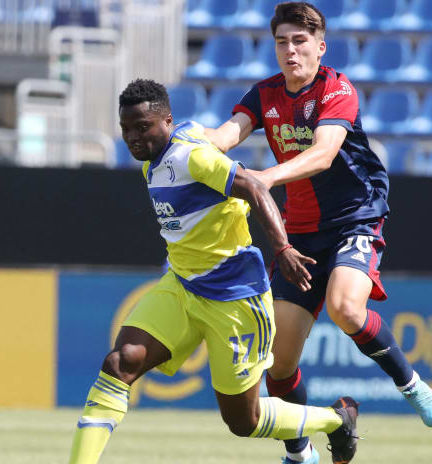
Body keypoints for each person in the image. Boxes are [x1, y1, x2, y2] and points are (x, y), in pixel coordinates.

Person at [203, 3, 432, 463]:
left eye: (300, 41)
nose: (290, 50)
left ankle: (410, 385)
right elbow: (227, 134)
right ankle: (301, 451)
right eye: (282, 42)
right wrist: (187, 143)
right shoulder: (264, 93)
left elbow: (323, 153)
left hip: (355, 218)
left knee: (345, 307)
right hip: (299, 234)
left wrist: (265, 178)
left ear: (320, 46)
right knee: (277, 364)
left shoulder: (337, 89)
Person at [68, 79, 360, 464]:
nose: (134, 138)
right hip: (183, 286)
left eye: (143, 127)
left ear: (167, 121)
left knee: (244, 420)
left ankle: (336, 420)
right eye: (126, 129)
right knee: (120, 363)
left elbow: (255, 188)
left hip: (234, 298)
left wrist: (284, 248)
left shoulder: (193, 158)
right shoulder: (151, 164)